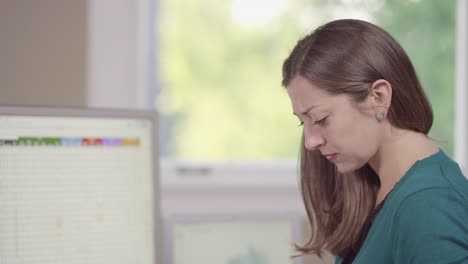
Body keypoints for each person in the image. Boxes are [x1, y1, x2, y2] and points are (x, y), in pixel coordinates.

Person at [282, 19, 468, 264]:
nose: (310, 142)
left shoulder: (429, 204)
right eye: (302, 122)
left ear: (378, 97)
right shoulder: (373, 188)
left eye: (321, 118)